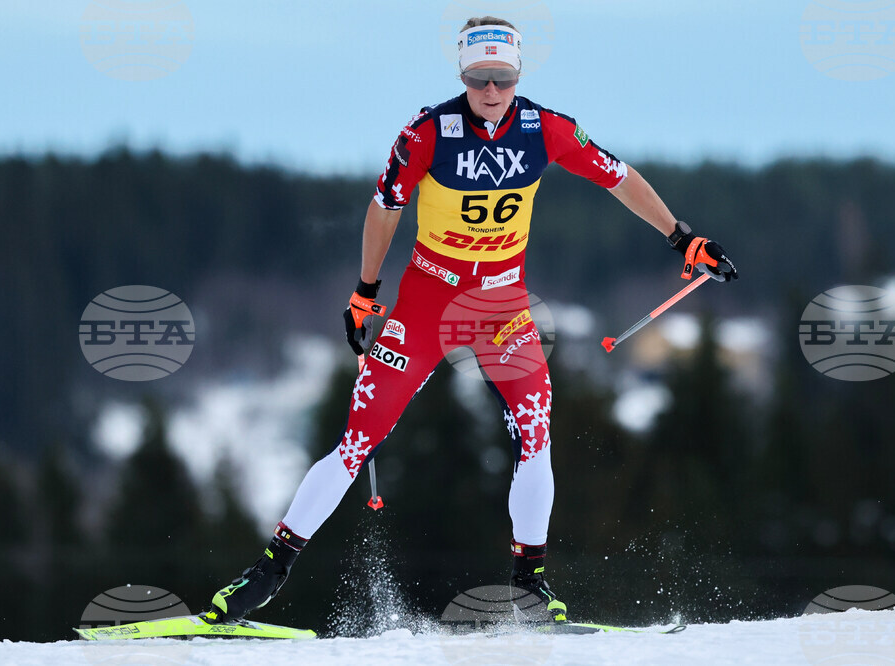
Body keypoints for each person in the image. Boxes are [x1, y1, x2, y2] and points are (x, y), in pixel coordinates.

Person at [206, 16, 737, 625]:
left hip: (501, 304)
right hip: (427, 301)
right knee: (361, 436)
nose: (491, 91)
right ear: (463, 74)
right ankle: (269, 572)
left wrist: (681, 237)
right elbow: (384, 210)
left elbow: (618, 178)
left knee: (536, 431)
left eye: (503, 78)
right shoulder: (427, 133)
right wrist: (364, 292)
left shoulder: (547, 129)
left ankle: (530, 584)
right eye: (479, 77)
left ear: (518, 76)